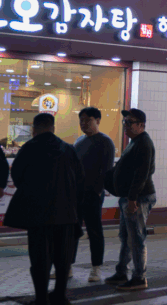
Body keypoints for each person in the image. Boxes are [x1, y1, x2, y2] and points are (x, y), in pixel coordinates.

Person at [4, 113, 84, 305]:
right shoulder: (68, 149)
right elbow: (79, 179)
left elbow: (17, 175)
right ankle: (60, 296)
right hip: (65, 213)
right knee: (62, 258)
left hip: (38, 214)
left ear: (34, 129)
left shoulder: (28, 148)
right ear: (53, 128)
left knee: (40, 257)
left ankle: (41, 299)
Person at [105, 109, 156, 292]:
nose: (125, 125)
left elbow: (141, 174)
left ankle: (139, 277)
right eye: (124, 122)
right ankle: (121, 272)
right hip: (129, 197)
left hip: (138, 199)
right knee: (126, 237)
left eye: (129, 122)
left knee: (136, 238)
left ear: (141, 125)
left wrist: (133, 200)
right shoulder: (134, 142)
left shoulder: (144, 143)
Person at [72, 107, 115, 283]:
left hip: (93, 195)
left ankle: (96, 268)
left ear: (97, 120)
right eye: (81, 120)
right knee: (72, 231)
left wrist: (97, 192)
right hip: (75, 194)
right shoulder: (79, 142)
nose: (83, 124)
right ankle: (66, 266)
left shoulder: (105, 142)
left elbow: (106, 170)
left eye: (87, 120)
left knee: (94, 231)